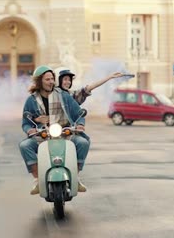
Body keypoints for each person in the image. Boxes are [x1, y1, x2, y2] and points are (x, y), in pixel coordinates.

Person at [19, 65, 90, 195]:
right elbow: (25, 122)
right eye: (47, 79)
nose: (51, 82)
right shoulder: (31, 100)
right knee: (25, 145)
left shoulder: (63, 95)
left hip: (65, 132)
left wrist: (80, 123)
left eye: (52, 79)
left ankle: (75, 175)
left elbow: (78, 112)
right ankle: (37, 179)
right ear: (39, 81)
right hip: (42, 134)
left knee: (82, 143)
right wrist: (30, 129)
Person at [54, 67, 125, 105]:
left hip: (68, 128)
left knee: (81, 133)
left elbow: (89, 88)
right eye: (65, 79)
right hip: (53, 129)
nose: (68, 82)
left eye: (69, 80)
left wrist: (109, 77)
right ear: (58, 80)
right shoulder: (51, 95)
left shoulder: (72, 95)